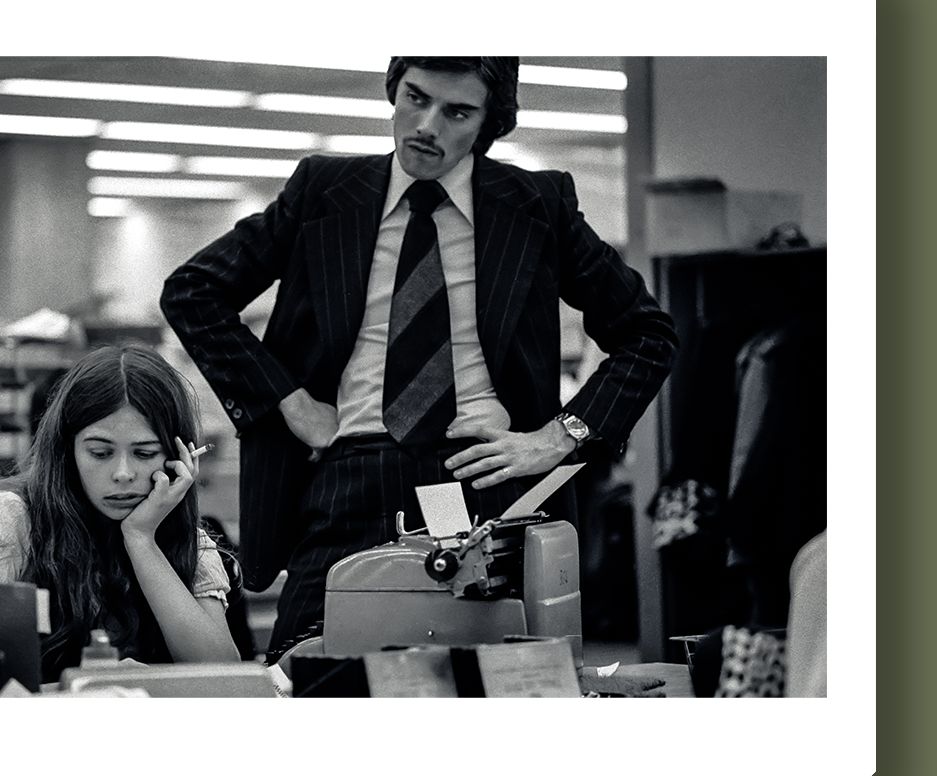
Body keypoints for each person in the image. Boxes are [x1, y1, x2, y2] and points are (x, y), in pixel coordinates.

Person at [161, 56, 677, 662]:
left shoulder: (535, 204)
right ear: (393, 90)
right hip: (349, 473)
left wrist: (560, 436)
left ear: (491, 122)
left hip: (486, 478)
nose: (425, 124)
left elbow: (647, 333)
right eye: (414, 97)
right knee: (301, 674)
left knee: (496, 680)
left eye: (456, 111)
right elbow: (194, 291)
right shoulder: (324, 192)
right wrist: (289, 402)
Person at [0, 344, 240, 681]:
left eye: (144, 453)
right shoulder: (5, 521)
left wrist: (141, 539)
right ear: (67, 451)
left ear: (179, 458)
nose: (122, 473)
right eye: (100, 453)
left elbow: (221, 673)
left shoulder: (188, 539)